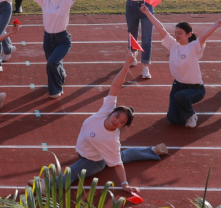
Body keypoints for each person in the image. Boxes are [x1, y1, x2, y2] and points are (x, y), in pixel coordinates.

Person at [64, 52, 169, 193]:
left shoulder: (111, 140)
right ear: (112, 112)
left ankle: (45, 185)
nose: (116, 121)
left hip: (93, 161)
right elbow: (115, 87)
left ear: (122, 127)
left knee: (72, 172)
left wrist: (125, 184)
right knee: (123, 155)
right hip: (92, 151)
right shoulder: (105, 110)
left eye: (121, 122)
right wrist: (126, 65)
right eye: (117, 116)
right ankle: (152, 151)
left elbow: (118, 165)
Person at [140, 6, 221, 127]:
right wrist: (147, 12)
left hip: (195, 89)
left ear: (189, 34)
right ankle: (183, 111)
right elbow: (160, 28)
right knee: (173, 120)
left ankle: (191, 114)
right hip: (178, 86)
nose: (177, 35)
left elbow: (203, 36)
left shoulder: (194, 47)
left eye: (180, 33)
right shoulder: (173, 45)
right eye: (176, 33)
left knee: (181, 97)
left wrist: (216, 25)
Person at [20, 0, 97, 98]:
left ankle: (56, 89)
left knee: (51, 63)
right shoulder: (44, 0)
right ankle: (61, 73)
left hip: (62, 40)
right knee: (54, 64)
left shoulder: (66, 1)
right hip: (47, 40)